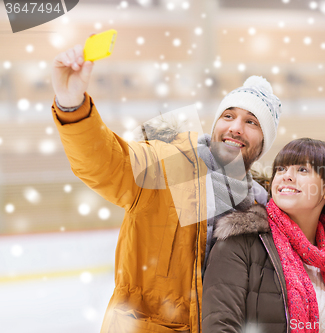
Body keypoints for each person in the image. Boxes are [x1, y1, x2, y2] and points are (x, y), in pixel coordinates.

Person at [51, 45, 282, 333]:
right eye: (228, 116)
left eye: (251, 122)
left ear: (263, 143)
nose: (235, 127)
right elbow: (106, 163)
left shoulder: (261, 211)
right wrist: (72, 105)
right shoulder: (167, 166)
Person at [202, 138, 325, 333]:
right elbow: (220, 326)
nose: (286, 176)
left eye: (302, 170)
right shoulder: (239, 243)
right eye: (281, 169)